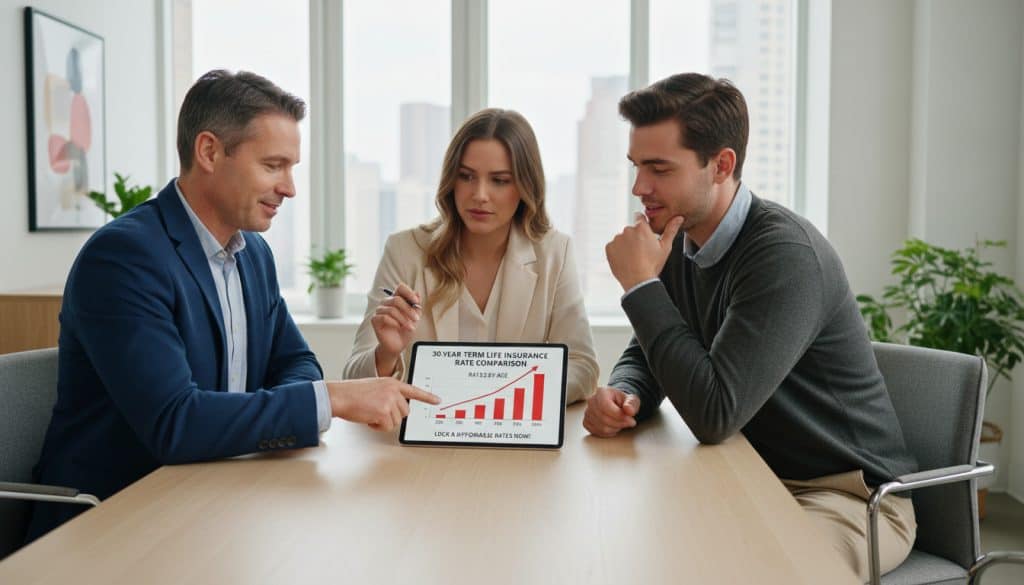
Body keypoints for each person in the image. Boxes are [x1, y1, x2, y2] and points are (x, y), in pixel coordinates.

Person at [27, 70, 439, 541]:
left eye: (291, 168)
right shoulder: (125, 258)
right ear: (209, 152)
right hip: (116, 522)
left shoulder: (253, 255)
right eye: (273, 165)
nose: (289, 188)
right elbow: (175, 423)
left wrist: (274, 408)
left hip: (217, 501)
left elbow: (296, 362)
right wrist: (335, 398)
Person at [582, 72, 918, 579]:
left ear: (721, 165)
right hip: (747, 477)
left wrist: (639, 287)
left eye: (658, 168)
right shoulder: (680, 237)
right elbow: (651, 350)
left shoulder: (783, 256)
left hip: (847, 497)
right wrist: (626, 391)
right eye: (636, 167)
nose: (639, 188)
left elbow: (714, 412)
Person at [344, 108, 598, 404]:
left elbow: (584, 367)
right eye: (466, 177)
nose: (479, 194)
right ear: (452, 181)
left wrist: (500, 395)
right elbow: (353, 379)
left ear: (525, 186)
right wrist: (386, 354)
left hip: (516, 438)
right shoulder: (405, 250)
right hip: (421, 441)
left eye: (499, 180)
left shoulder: (555, 252)